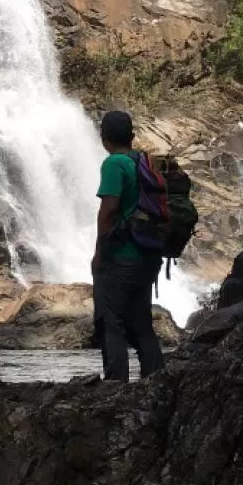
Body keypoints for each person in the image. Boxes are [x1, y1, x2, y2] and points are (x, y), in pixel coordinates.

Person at [91, 110, 165, 382]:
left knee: (112, 323)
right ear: (131, 136)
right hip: (147, 255)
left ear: (104, 137)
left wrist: (99, 253)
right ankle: (156, 382)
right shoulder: (144, 161)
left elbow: (108, 209)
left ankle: (115, 386)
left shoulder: (114, 164)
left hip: (122, 256)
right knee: (141, 321)